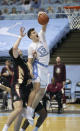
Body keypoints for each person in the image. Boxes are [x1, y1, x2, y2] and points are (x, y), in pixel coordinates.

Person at [2, 27, 31, 131]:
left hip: (22, 87)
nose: (19, 49)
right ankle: (4, 129)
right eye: (18, 50)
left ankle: (25, 115)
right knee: (19, 108)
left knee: (20, 110)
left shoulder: (22, 62)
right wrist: (20, 37)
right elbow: (14, 48)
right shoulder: (16, 59)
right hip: (17, 86)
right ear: (14, 54)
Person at [26, 11, 50, 125]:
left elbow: (44, 24)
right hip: (38, 67)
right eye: (33, 32)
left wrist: (42, 14)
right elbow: (29, 62)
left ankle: (31, 112)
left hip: (46, 69)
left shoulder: (42, 37)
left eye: (36, 31)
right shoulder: (31, 47)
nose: (36, 33)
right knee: (36, 90)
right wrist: (30, 69)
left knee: (41, 93)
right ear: (30, 36)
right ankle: (29, 111)